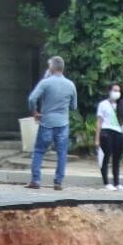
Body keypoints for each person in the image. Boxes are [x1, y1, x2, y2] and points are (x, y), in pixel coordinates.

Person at [26, 56, 77, 190]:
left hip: (47, 122)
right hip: (63, 124)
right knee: (61, 153)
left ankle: (36, 180)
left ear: (51, 68)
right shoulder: (71, 85)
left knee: (38, 151)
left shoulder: (45, 83)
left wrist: (35, 112)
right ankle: (58, 182)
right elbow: (74, 107)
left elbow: (32, 99)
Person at [95, 81, 123, 191]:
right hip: (106, 132)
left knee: (117, 159)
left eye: (118, 91)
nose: (116, 93)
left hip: (119, 133)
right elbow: (99, 122)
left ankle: (117, 183)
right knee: (106, 156)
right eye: (114, 90)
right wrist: (97, 139)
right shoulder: (103, 104)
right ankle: (106, 183)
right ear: (109, 91)